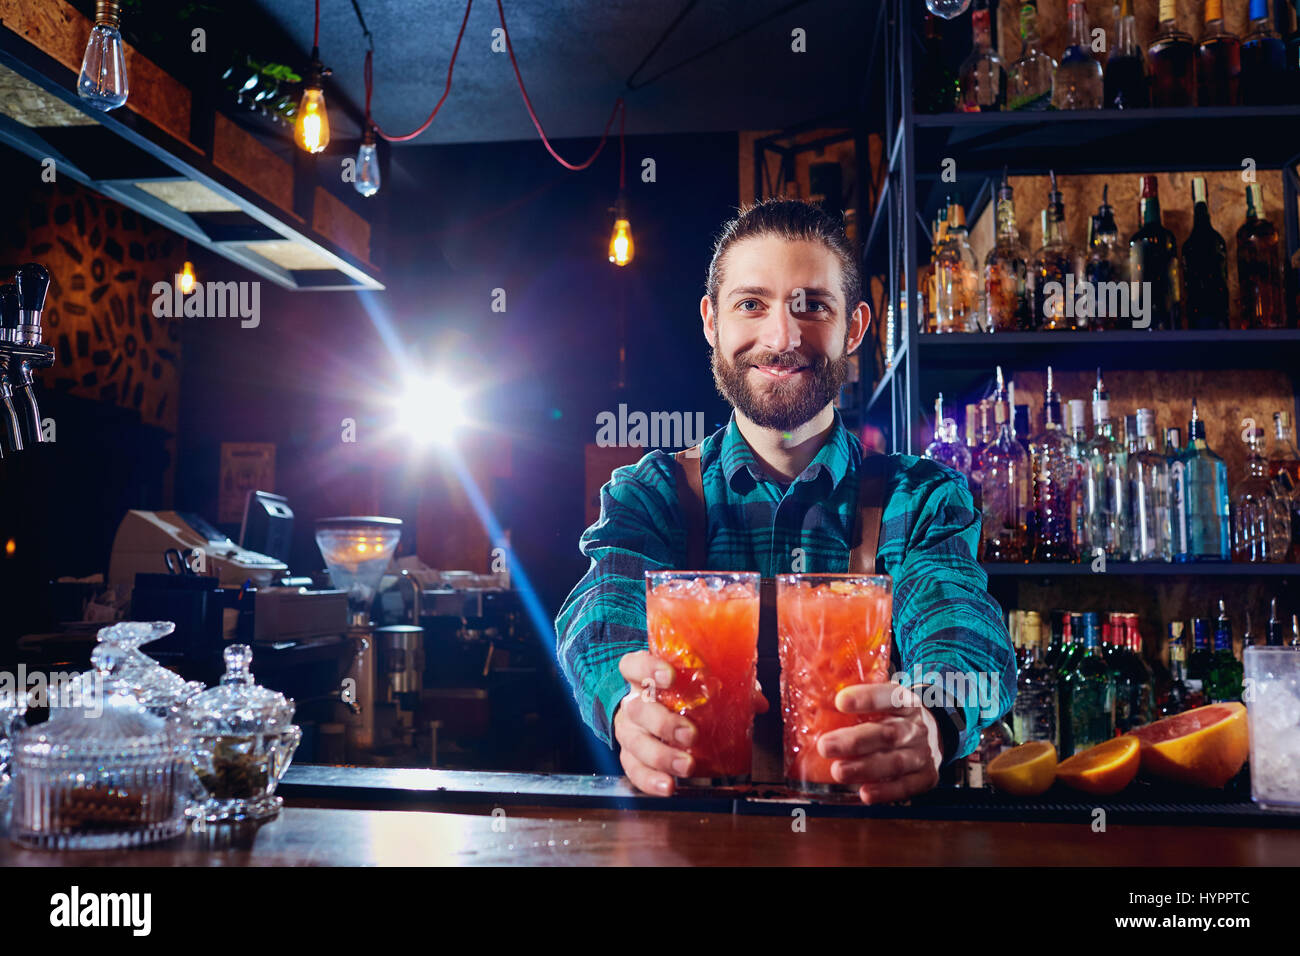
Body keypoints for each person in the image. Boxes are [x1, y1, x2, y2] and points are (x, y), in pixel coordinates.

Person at [554, 197, 1015, 802]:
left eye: (813, 306)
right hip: (695, 849)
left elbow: (962, 628)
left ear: (853, 328)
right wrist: (624, 707)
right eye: (751, 304)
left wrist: (933, 715)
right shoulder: (652, 495)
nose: (783, 337)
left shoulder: (920, 498)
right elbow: (599, 615)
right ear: (711, 323)